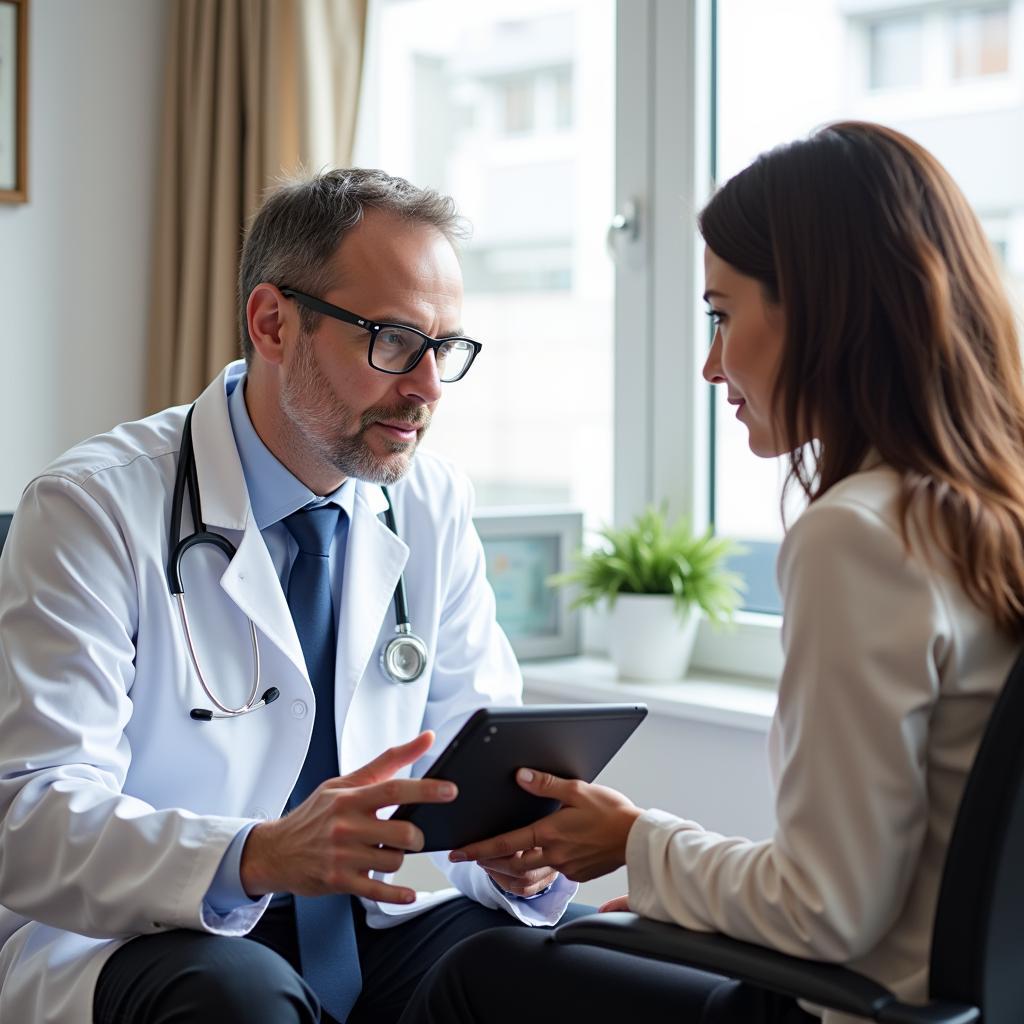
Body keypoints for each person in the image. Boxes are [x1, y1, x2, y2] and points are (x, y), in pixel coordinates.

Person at [396, 121, 1024, 1024]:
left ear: (816, 308)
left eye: (722, 315)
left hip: (850, 1008)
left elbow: (823, 910)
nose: (709, 363)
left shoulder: (860, 538)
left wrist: (635, 843)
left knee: (482, 972)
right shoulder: (987, 517)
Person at [0, 168, 583, 1024]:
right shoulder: (93, 508)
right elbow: (29, 812)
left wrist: (518, 849)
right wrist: (257, 855)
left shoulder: (430, 500)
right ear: (273, 323)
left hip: (364, 923)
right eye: (390, 340)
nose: (426, 387)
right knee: (242, 999)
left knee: (548, 970)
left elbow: (470, 750)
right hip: (138, 933)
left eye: (445, 347)